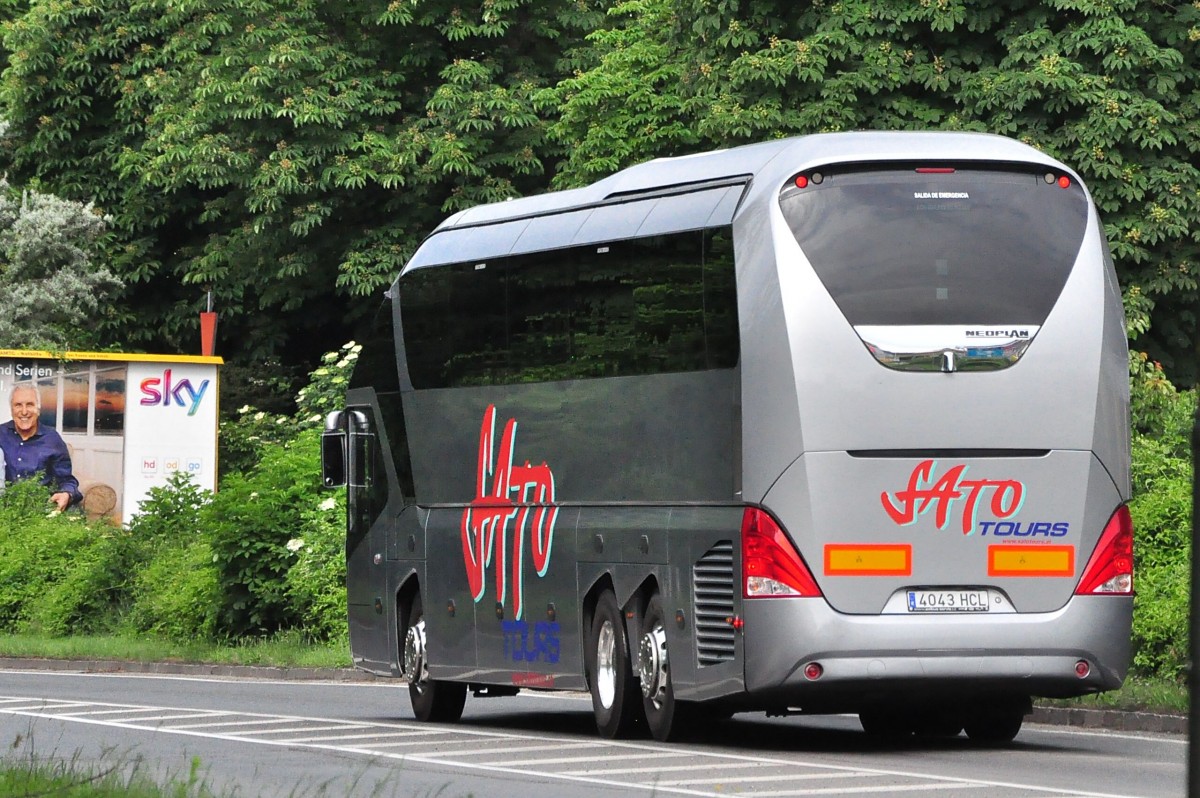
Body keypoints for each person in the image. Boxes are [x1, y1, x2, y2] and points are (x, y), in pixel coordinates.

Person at [0, 383, 82, 511]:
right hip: (5, 510)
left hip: (40, 510)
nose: (24, 411)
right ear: (11, 409)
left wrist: (66, 494)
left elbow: (66, 480)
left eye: (30, 404)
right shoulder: (1, 433)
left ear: (38, 409)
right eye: (18, 405)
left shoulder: (52, 439)